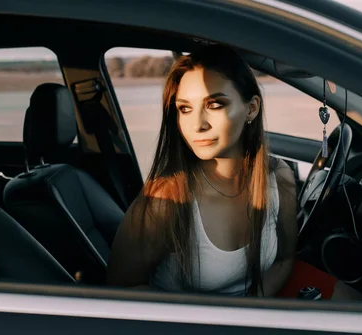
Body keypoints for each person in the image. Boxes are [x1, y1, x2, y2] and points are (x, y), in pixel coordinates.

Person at [106, 45, 297, 297]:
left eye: (215, 104)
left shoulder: (278, 178)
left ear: (251, 108)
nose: (197, 124)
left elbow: (285, 258)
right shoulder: (164, 202)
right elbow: (119, 292)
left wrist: (251, 310)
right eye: (185, 108)